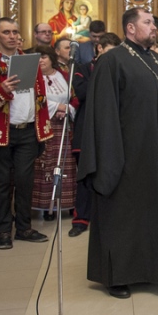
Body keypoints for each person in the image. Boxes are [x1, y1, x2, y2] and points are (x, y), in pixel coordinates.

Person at [78, 8, 158, 298]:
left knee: (155, 213)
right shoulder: (112, 61)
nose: (154, 27)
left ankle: (157, 269)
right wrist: (110, 159)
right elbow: (103, 114)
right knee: (124, 215)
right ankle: (118, 276)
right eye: (148, 22)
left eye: (154, 22)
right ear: (130, 28)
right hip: (126, 156)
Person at [0, 17, 52, 250]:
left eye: (15, 32)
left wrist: (43, 130)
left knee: (25, 182)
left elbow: (41, 98)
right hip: (1, 132)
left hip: (28, 130)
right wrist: (1, 91)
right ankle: (3, 231)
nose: (12, 36)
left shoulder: (31, 62)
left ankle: (25, 228)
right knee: (1, 184)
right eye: (6, 32)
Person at [69, 32, 121, 237]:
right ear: (100, 48)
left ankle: (112, 218)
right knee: (85, 177)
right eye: (109, 52)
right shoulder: (83, 69)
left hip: (112, 132)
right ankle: (81, 219)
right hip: (87, 130)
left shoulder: (119, 70)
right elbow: (81, 93)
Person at [31, 45, 77, 222]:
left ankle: (66, 204)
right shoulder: (33, 78)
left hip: (63, 127)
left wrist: (68, 109)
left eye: (44, 57)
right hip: (42, 126)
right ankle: (44, 206)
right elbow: (34, 99)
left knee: (65, 164)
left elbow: (73, 97)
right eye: (37, 57)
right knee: (44, 164)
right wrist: (57, 106)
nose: (41, 60)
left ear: (52, 58)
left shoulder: (63, 75)